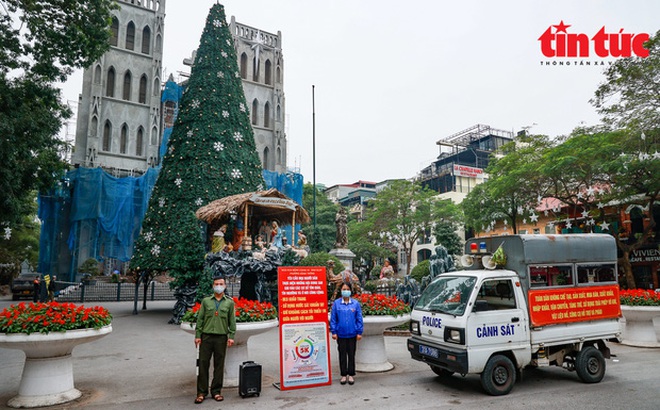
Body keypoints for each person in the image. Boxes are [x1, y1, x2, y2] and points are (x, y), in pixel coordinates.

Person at [194, 276, 236, 404]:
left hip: (221, 337)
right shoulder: (206, 301)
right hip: (206, 337)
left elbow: (232, 321)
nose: (219, 286)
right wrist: (197, 335)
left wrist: (231, 337)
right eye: (216, 284)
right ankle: (201, 392)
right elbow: (200, 319)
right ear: (213, 286)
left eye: (221, 284)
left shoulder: (229, 302)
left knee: (219, 365)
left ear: (225, 286)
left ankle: (216, 391)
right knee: (203, 364)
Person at [329, 282, 363, 386]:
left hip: (352, 334)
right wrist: (334, 331)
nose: (346, 291)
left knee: (351, 354)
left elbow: (359, 319)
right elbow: (333, 319)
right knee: (342, 355)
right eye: (344, 289)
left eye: (347, 289)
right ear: (341, 290)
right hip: (341, 334)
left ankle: (351, 374)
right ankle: (344, 375)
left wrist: (359, 332)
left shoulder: (355, 304)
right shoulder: (337, 303)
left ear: (350, 291)